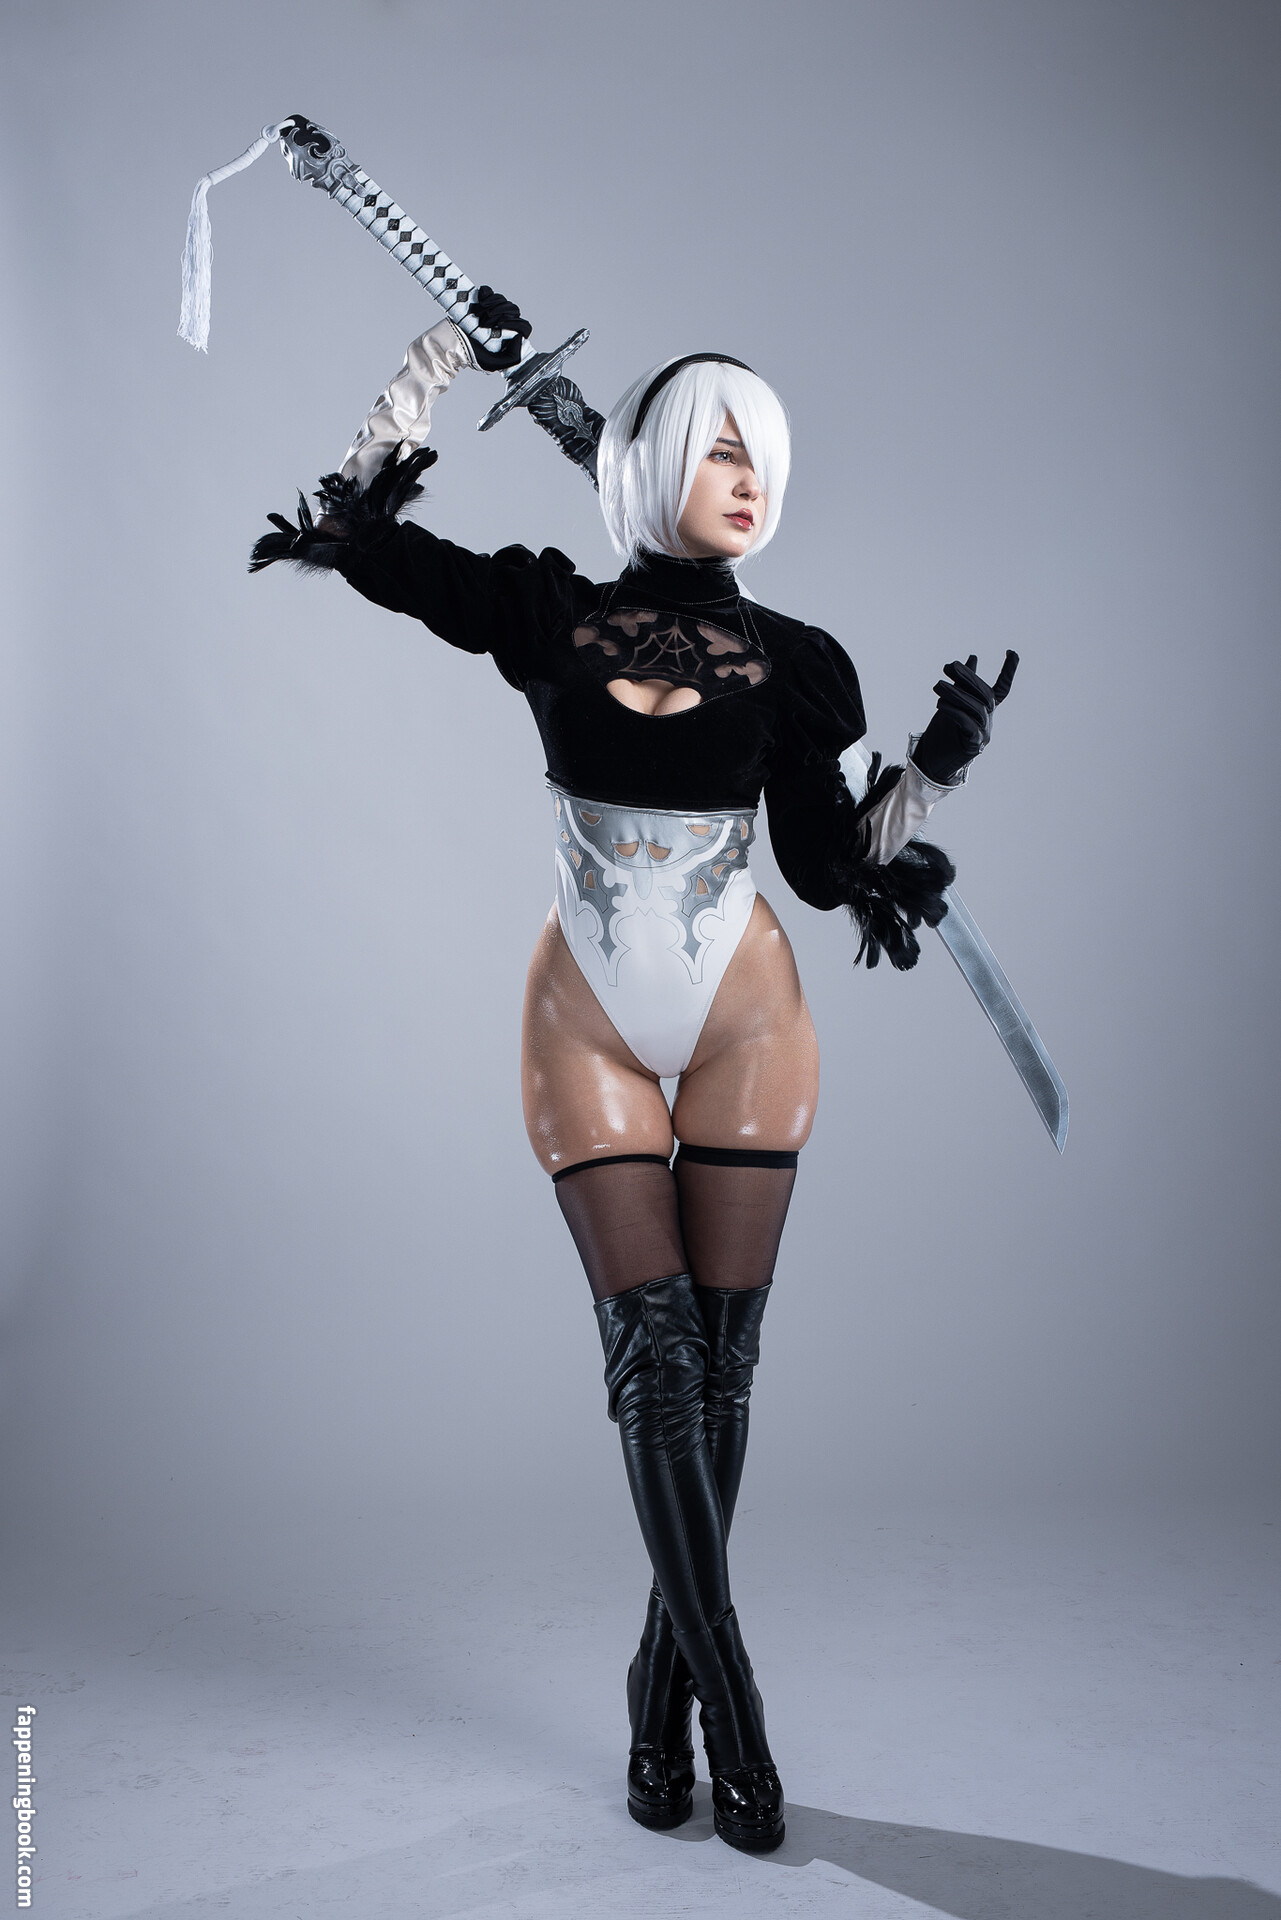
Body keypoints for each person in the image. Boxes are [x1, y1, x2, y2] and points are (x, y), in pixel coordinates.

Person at [251, 289, 1016, 1854]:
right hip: (585, 1016)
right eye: (717, 447)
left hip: (746, 1016)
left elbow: (821, 869)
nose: (747, 475)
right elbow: (360, 533)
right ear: (653, 461)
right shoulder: (542, 612)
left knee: (721, 1369)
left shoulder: (798, 663)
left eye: (763, 455)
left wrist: (932, 772)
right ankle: (730, 1701)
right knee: (653, 1365)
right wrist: (435, 354)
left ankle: (653, 1690)